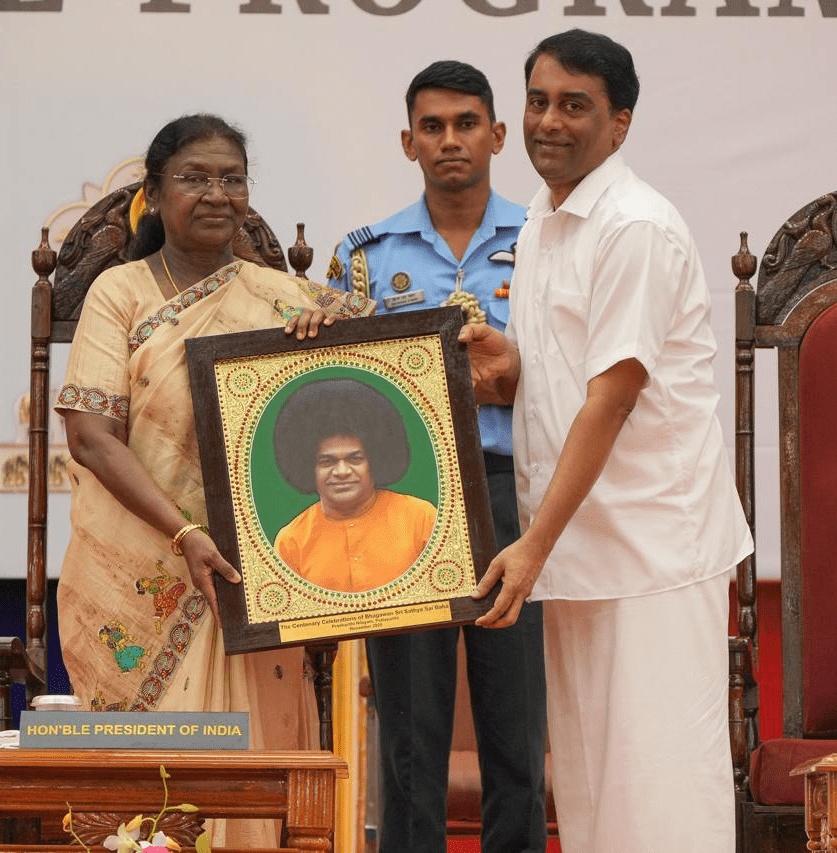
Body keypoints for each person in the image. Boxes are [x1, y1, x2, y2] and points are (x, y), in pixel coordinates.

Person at [459, 30, 753, 852]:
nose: (550, 122)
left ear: (620, 124)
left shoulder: (636, 227)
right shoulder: (548, 220)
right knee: (591, 801)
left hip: (650, 554)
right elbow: (566, 375)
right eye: (539, 101)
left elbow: (612, 402)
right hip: (581, 555)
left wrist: (529, 544)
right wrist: (507, 368)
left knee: (659, 799)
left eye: (575, 106)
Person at [54, 114, 371, 846]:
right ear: (156, 195)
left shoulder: (285, 301)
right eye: (194, 178)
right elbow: (91, 438)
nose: (216, 193)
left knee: (253, 788)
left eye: (231, 178)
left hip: (254, 581)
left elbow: (366, 401)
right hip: (139, 571)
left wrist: (324, 355)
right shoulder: (119, 294)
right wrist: (187, 531)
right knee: (151, 804)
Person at [326, 60, 549, 853]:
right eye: (432, 126)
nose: (449, 140)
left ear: (496, 134)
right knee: (412, 736)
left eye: (465, 124)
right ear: (407, 141)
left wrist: (512, 375)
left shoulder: (549, 241)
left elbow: (588, 380)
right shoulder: (363, 256)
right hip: (405, 502)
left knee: (516, 726)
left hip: (512, 493)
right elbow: (338, 393)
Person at [271, 377, 436, 592]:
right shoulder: (291, 542)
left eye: (355, 459)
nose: (341, 472)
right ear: (309, 467)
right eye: (327, 461)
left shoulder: (421, 519)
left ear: (375, 461)